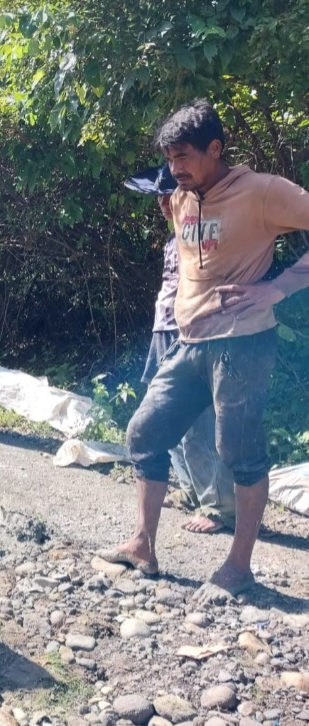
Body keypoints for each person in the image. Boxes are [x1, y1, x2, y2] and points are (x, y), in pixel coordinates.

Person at [103, 99, 309, 601]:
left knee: (237, 452)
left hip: (242, 342)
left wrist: (277, 287)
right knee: (146, 432)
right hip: (189, 340)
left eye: (185, 157)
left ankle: (239, 566)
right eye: (170, 159)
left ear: (216, 149)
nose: (175, 169)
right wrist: (175, 197)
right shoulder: (181, 195)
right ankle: (143, 544)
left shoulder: (261, 191)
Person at [124, 164, 236, 534]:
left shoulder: (204, 232)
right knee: (161, 418)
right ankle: (191, 491)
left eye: (168, 195)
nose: (161, 203)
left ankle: (218, 507)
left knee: (199, 424)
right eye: (158, 197)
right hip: (164, 330)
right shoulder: (174, 236)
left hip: (193, 332)